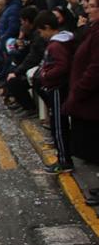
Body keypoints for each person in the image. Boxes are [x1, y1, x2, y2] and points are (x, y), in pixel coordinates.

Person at [34, 10, 76, 174]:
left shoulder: (56, 45)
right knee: (59, 123)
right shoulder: (63, 41)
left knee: (58, 125)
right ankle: (63, 157)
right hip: (58, 86)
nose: (41, 35)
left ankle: (64, 160)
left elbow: (62, 66)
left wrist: (46, 74)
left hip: (57, 87)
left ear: (47, 27)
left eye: (41, 31)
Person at [63, 0, 99, 178]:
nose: (87, 9)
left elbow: (95, 68)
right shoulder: (92, 30)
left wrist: (78, 91)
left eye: (92, 6)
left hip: (91, 100)